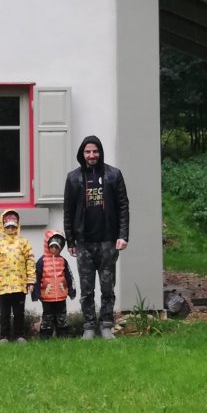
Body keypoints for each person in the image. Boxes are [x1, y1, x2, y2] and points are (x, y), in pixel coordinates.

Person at [62, 135, 129, 339]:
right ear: (82, 154)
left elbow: (123, 207)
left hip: (108, 241)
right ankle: (89, 326)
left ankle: (106, 324)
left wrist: (123, 235)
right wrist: (70, 240)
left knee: (108, 287)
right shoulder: (73, 178)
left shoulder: (113, 175)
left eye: (95, 151)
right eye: (88, 152)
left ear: (100, 153)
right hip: (83, 243)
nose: (92, 155)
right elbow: (68, 211)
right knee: (87, 288)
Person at [0, 209, 34, 343]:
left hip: (20, 285)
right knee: (5, 313)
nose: (11, 229)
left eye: (13, 226)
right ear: (3, 227)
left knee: (19, 313)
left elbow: (30, 262)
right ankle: (5, 336)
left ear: (17, 226)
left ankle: (19, 335)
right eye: (8, 227)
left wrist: (30, 281)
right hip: (3, 286)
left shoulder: (24, 243)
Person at [31, 229, 77, 338]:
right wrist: (35, 294)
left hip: (61, 295)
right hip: (47, 296)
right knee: (47, 316)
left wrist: (71, 291)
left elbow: (69, 277)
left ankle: (63, 335)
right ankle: (45, 336)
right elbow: (36, 277)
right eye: (52, 247)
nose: (54, 249)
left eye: (57, 247)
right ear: (47, 246)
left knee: (61, 316)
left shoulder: (63, 261)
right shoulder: (41, 261)